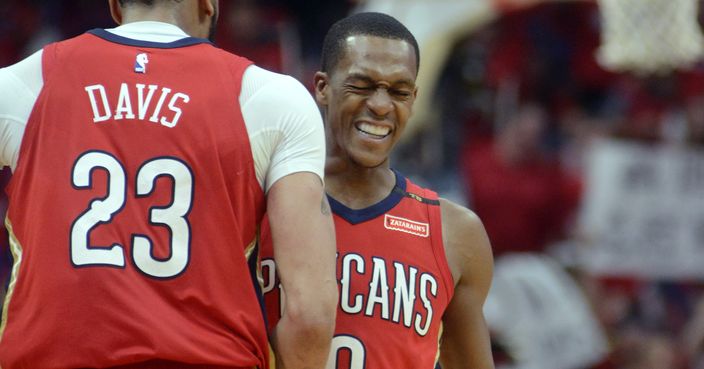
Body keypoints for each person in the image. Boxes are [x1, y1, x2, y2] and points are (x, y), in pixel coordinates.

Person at [0, 1, 338, 368]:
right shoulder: (273, 98)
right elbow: (310, 314)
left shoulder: (23, 84)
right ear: (208, 5)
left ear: (115, 5)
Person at [260, 12, 495, 369]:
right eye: (362, 85)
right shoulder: (255, 203)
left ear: (414, 99)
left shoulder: (456, 233)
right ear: (322, 87)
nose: (382, 106)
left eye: (399, 92)